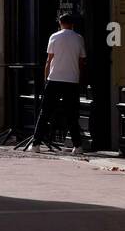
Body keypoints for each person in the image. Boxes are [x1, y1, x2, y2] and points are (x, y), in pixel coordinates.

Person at [27, 12, 87, 155]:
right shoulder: (79, 38)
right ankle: (78, 146)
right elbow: (81, 61)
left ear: (60, 23)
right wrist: (80, 79)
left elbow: (49, 60)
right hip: (71, 80)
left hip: (54, 79)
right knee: (72, 114)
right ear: (72, 24)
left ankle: (36, 144)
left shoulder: (54, 37)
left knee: (45, 113)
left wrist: (46, 78)